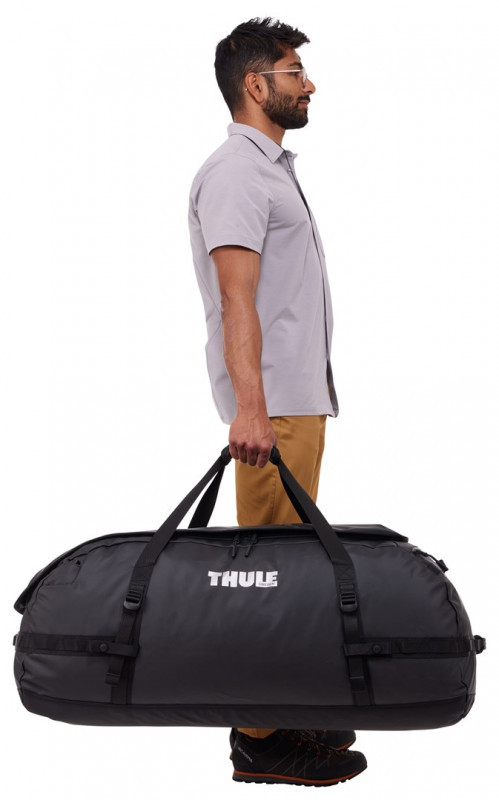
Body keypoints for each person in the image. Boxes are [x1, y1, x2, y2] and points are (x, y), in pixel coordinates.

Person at [188, 16, 367, 787]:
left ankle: (281, 705)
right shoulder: (236, 175)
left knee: (289, 575)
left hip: (297, 404)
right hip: (274, 411)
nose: (309, 84)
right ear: (256, 85)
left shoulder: (270, 170)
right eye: (295, 72)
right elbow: (237, 300)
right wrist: (251, 410)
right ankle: (257, 739)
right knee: (265, 581)